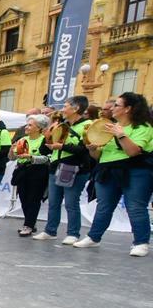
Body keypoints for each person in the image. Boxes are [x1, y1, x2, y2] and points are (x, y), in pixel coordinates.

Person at [74, 92, 153, 256]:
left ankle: (141, 242)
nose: (112, 108)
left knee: (136, 207)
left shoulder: (143, 127)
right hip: (108, 169)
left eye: (117, 105)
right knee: (103, 206)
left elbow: (133, 151)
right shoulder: (108, 127)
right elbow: (99, 156)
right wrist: (93, 149)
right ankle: (93, 237)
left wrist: (121, 134)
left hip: (135, 170)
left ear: (128, 109)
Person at [33, 95, 93, 244]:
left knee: (71, 202)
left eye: (65, 106)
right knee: (53, 201)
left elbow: (85, 149)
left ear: (76, 108)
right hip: (55, 166)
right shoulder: (61, 125)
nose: (63, 109)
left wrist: (63, 146)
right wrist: (47, 138)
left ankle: (73, 233)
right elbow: (45, 150)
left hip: (75, 168)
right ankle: (50, 230)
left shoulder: (88, 126)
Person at [9, 114, 51, 236]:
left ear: (39, 128)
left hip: (37, 171)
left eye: (30, 125)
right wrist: (12, 151)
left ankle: (28, 224)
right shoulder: (22, 140)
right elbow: (12, 157)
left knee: (33, 199)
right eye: (27, 124)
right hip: (22, 170)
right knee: (23, 198)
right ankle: (30, 222)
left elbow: (48, 158)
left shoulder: (44, 140)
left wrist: (31, 157)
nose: (27, 127)